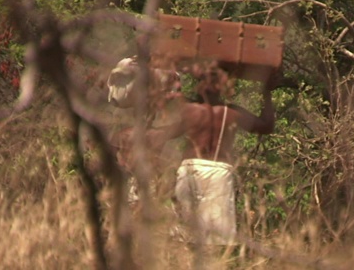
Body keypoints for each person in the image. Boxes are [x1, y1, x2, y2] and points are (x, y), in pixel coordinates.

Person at [107, 58, 276, 246]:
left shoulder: (189, 110)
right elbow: (267, 126)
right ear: (223, 85)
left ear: (200, 85)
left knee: (186, 236)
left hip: (189, 171)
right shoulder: (233, 113)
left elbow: (159, 129)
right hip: (218, 174)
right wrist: (267, 91)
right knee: (215, 241)